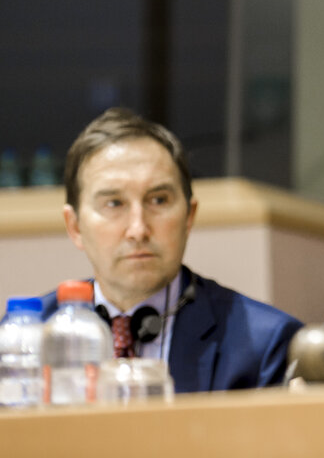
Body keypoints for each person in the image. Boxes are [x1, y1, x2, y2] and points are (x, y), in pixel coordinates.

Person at [40, 108, 303, 392]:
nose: (138, 229)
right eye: (114, 203)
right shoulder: (30, 337)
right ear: (75, 226)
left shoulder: (265, 345)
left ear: (189, 217)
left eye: (158, 200)